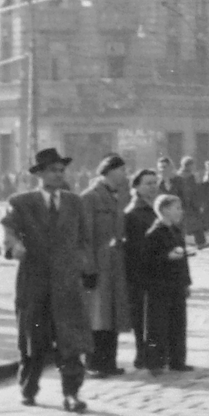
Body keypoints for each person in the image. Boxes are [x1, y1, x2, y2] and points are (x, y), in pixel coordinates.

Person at [2, 148, 95, 412]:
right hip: (34, 282)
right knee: (33, 340)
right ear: (39, 174)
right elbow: (6, 229)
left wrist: (83, 268)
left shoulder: (75, 203)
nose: (58, 174)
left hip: (67, 284)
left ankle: (71, 394)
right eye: (52, 170)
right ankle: (29, 387)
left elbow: (84, 240)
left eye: (61, 170)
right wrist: (14, 246)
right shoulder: (21, 202)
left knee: (70, 341)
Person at [81, 154, 132, 378]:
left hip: (116, 264)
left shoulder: (118, 197)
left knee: (113, 315)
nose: (124, 174)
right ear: (108, 171)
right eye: (121, 170)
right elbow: (85, 237)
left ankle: (109, 362)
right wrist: (88, 268)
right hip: (98, 266)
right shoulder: (90, 198)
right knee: (97, 316)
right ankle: (93, 363)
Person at [141, 193, 194, 371]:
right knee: (158, 325)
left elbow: (183, 260)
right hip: (160, 285)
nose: (181, 211)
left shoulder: (176, 231)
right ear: (164, 210)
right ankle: (156, 361)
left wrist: (187, 282)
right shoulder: (154, 232)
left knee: (178, 324)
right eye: (177, 208)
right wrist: (166, 257)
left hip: (176, 284)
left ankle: (177, 360)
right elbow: (147, 260)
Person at [122, 169, 160, 370]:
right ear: (135, 186)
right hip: (140, 269)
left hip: (156, 268)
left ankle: (152, 352)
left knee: (153, 313)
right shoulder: (133, 212)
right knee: (140, 314)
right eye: (148, 183)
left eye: (155, 182)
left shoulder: (156, 207)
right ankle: (141, 352)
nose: (153, 186)